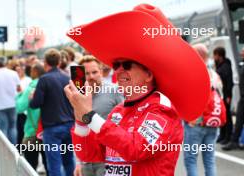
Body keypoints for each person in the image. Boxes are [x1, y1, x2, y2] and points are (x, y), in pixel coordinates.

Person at [64, 4, 210, 176]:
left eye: (126, 65)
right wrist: (80, 118)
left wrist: (89, 115)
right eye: (116, 65)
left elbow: (136, 149)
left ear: (148, 74)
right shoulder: (118, 110)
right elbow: (91, 154)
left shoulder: (162, 109)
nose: (118, 70)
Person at [73, 55, 124, 176]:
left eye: (94, 72)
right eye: (87, 73)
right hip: (87, 160)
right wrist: (78, 162)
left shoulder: (114, 91)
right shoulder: (79, 97)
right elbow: (78, 129)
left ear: (101, 72)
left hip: (107, 159)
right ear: (81, 76)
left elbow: (125, 123)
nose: (91, 77)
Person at [29, 49, 75, 176]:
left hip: (52, 128)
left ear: (45, 62)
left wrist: (32, 98)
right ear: (59, 62)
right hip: (69, 125)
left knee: (54, 164)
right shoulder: (67, 77)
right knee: (68, 161)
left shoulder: (44, 79)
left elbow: (35, 104)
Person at [183, 44, 222, 176]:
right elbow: (219, 97)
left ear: (196, 55)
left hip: (195, 122)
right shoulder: (215, 75)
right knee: (210, 160)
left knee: (191, 159)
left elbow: (186, 97)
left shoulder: (191, 72)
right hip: (212, 122)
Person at [16, 63, 48, 173]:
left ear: (34, 73)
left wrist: (19, 95)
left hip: (32, 132)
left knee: (30, 167)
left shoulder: (31, 87)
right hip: (48, 131)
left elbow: (20, 108)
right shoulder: (49, 85)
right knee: (49, 165)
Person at [0, 57, 21, 144]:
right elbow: (19, 88)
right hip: (13, 103)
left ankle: (5, 149)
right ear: (6, 64)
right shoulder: (13, 73)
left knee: (3, 128)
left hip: (0, 105)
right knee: (13, 127)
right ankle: (14, 148)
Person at [223, 48, 244, 150]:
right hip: (242, 97)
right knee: (239, 119)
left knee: (239, 119)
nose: (241, 52)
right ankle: (235, 140)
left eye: (243, 51)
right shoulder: (242, 64)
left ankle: (234, 141)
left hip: (243, 98)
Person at [213, 47, 234, 144]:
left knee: (227, 116)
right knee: (222, 115)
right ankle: (222, 135)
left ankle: (227, 136)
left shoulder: (226, 66)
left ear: (219, 55)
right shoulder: (220, 65)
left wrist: (228, 96)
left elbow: (229, 82)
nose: (214, 57)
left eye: (215, 55)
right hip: (220, 95)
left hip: (225, 95)